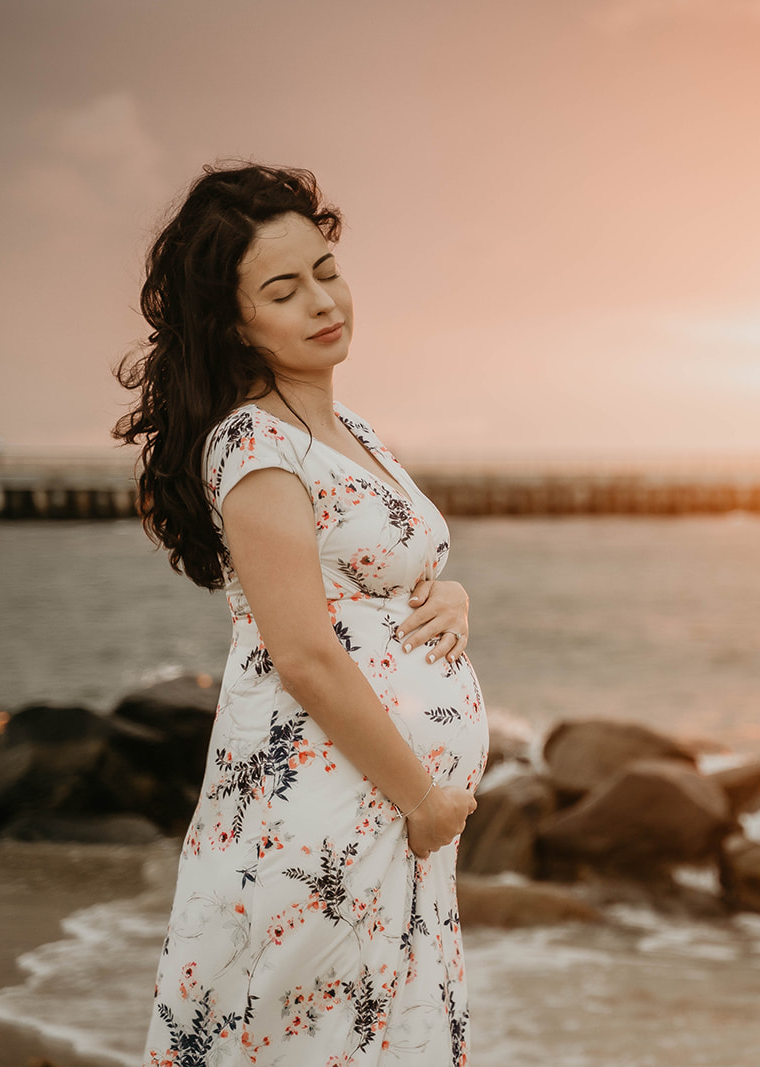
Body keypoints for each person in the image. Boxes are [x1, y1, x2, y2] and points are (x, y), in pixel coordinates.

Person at [114, 162, 487, 1066]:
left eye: (326, 268)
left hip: (375, 810)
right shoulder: (255, 443)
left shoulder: (344, 424)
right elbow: (304, 653)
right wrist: (426, 799)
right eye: (284, 290)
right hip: (328, 813)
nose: (323, 299)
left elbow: (372, 568)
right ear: (234, 320)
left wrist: (448, 590)